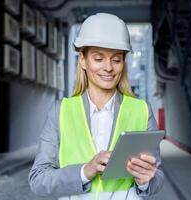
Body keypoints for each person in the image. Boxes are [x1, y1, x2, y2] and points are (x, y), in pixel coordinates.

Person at [28, 13, 164, 200]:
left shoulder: (141, 110)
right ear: (83, 60)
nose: (108, 67)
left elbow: (158, 176)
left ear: (123, 63)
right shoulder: (61, 111)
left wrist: (145, 180)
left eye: (116, 59)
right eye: (98, 58)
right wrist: (85, 171)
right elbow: (38, 180)